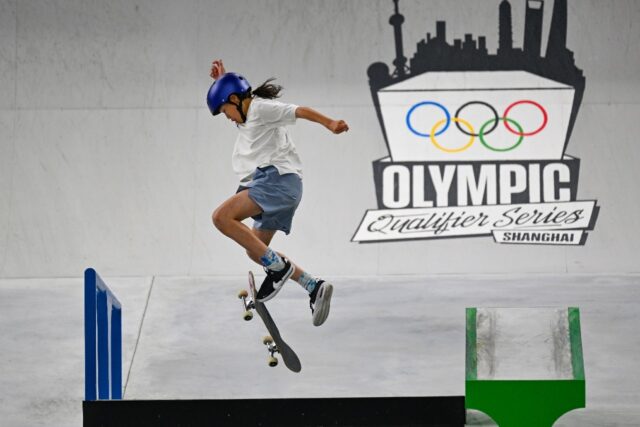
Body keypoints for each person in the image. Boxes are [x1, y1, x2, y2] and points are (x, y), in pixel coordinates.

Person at [207, 59, 349, 326]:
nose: (227, 118)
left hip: (276, 181)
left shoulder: (261, 109)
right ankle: (313, 286)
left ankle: (278, 268)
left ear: (236, 100)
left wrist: (329, 123)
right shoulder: (246, 113)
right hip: (280, 189)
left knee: (221, 218)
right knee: (256, 249)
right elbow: (233, 98)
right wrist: (222, 81)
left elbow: (299, 111)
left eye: (226, 111)